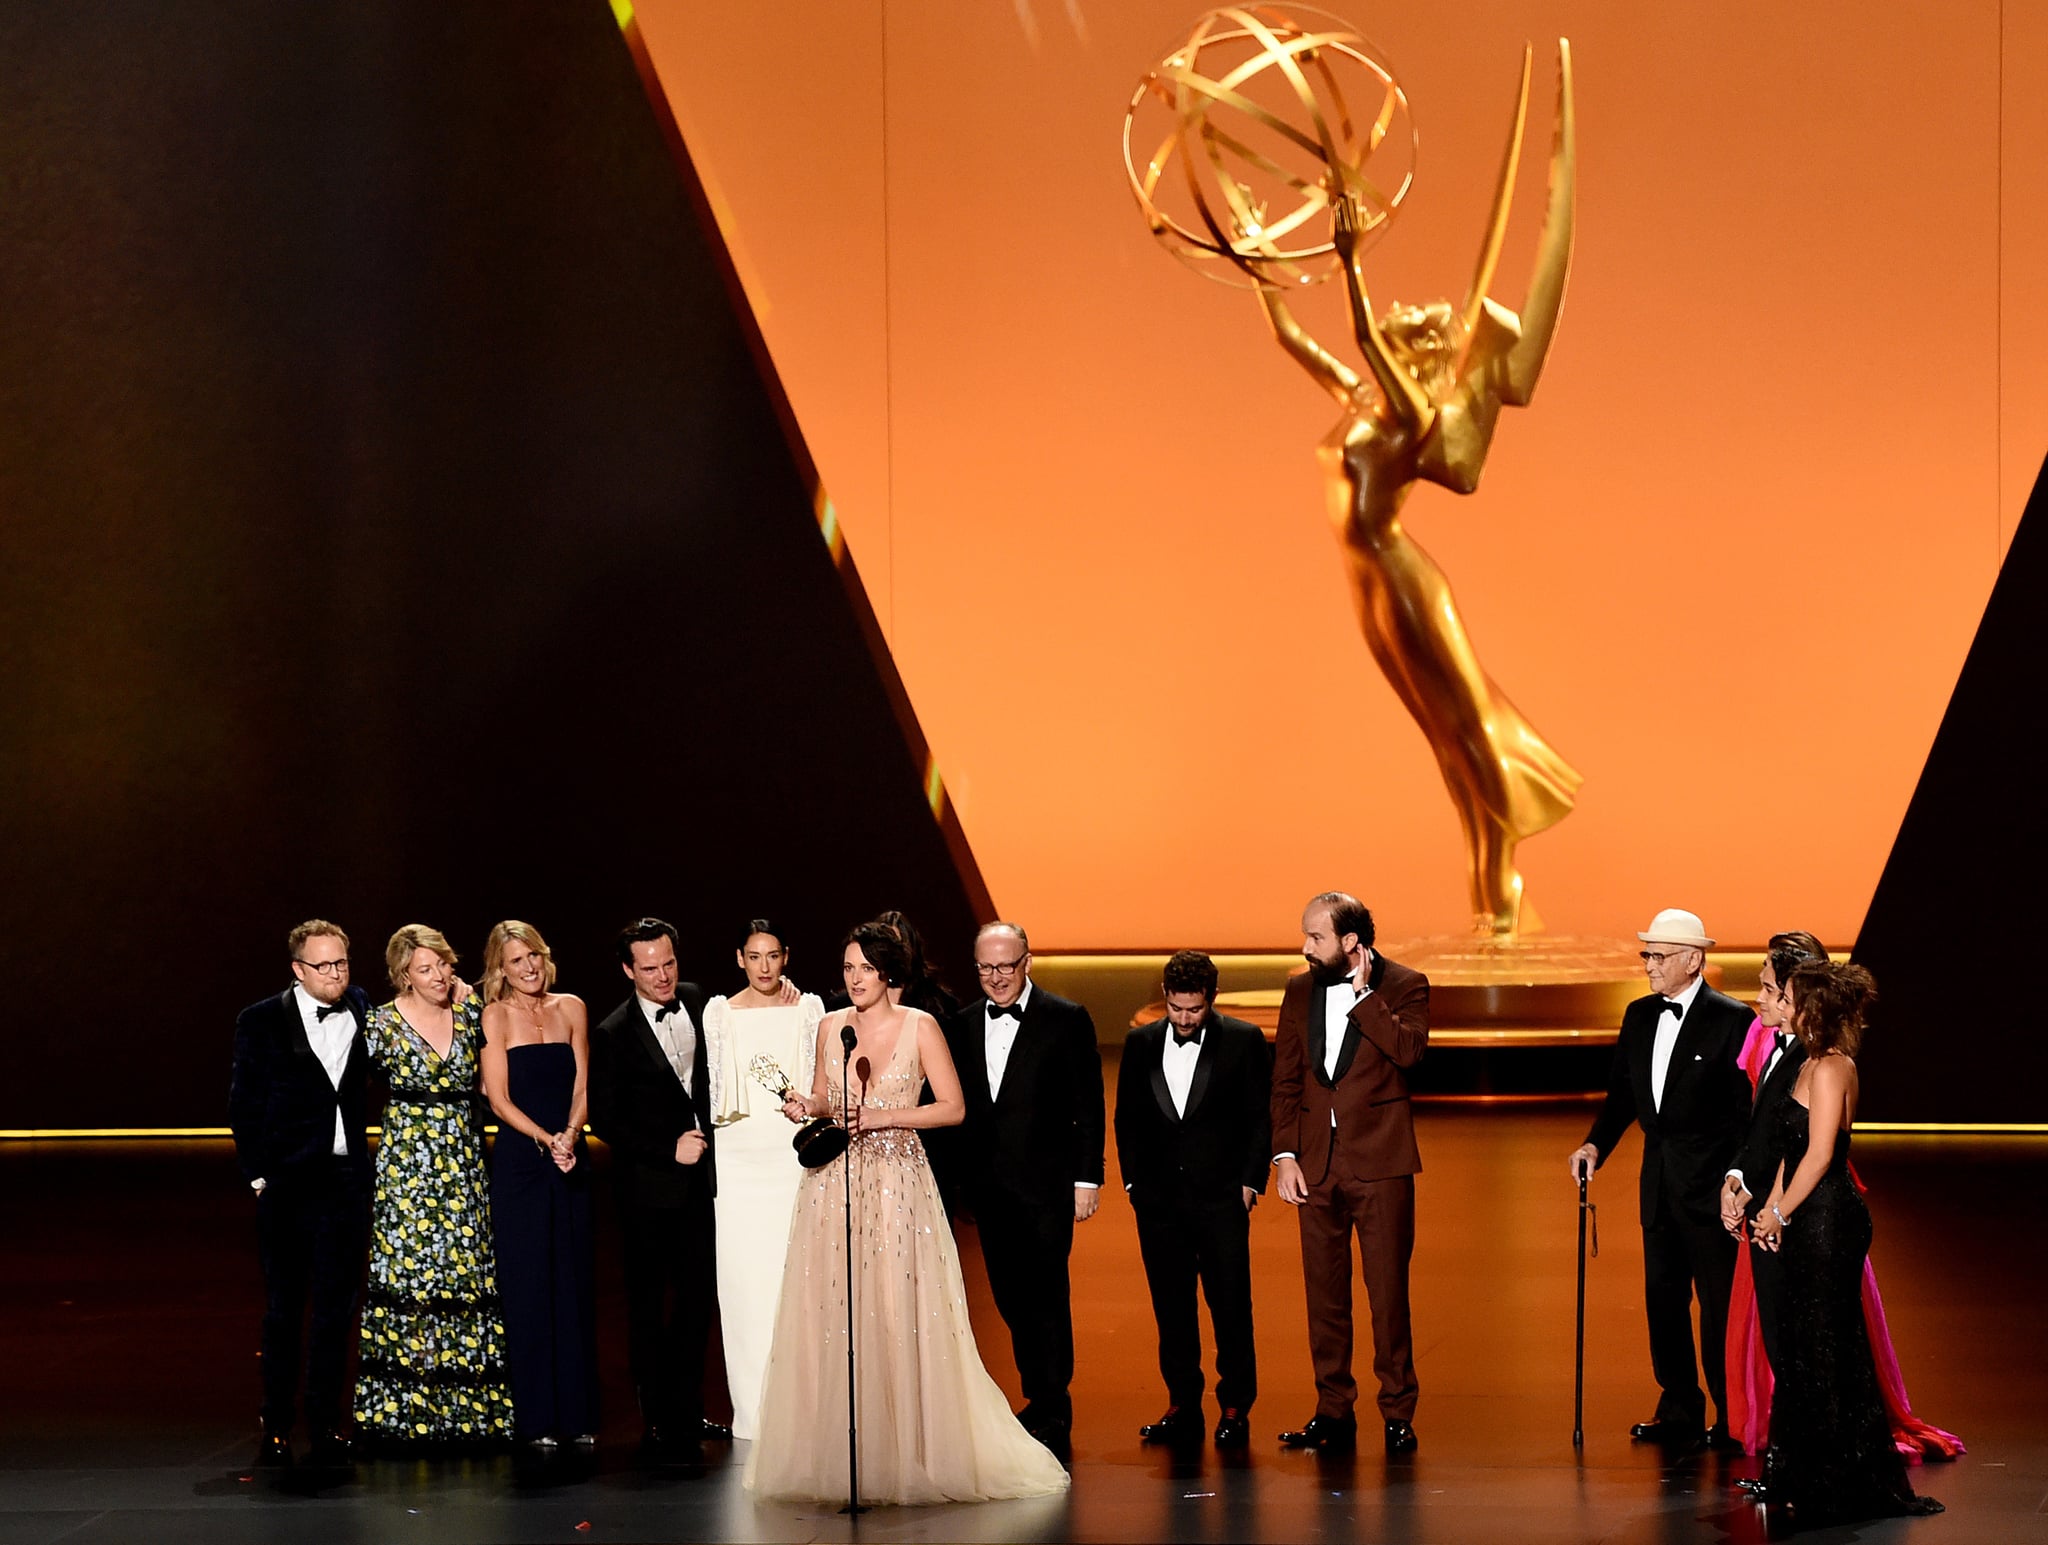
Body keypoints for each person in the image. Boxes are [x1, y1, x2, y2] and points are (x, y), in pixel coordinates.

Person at [745, 924, 1069, 1504]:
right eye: (848, 969)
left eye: (865, 969)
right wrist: (807, 1104)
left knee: (895, 1308)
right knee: (839, 1310)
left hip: (898, 1184)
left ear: (889, 973)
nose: (855, 980)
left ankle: (909, 1451)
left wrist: (884, 1118)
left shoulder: (921, 1026)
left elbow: (952, 1108)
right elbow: (825, 1095)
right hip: (834, 1184)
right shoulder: (829, 1027)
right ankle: (851, 1453)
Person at [1722, 937, 1963, 1468]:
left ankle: (1835, 1460)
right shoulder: (1805, 1064)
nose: (1772, 1005)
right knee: (1801, 1341)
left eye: (1782, 997)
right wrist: (1770, 1209)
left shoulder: (1831, 1068)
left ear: (1807, 1008)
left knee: (1825, 1339)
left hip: (1828, 1217)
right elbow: (1787, 1146)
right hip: (1800, 1213)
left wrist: (1779, 1212)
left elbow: (1820, 1153)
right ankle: (1803, 1459)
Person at [1568, 907, 1750, 1451]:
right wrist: (1595, 1143)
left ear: (1693, 960)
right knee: (1663, 1301)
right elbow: (1622, 1093)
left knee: (1717, 1309)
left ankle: (1730, 1414)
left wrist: (1738, 1180)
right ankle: (1678, 1409)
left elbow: (1744, 1113)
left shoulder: (1732, 1019)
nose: (1648, 964)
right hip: (1659, 1183)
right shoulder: (1639, 1014)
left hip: (1711, 1188)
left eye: (1659, 955)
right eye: (1646, 954)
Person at [1271, 892, 1430, 1455]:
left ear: (1350, 943)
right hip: (1314, 1164)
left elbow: (1409, 1052)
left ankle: (1397, 1411)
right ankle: (1333, 1408)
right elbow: (1286, 1079)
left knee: (1387, 1294)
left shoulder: (1406, 985)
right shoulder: (1299, 989)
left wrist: (1364, 997)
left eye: (1315, 938)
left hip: (1380, 1164)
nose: (1305, 948)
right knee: (1325, 1296)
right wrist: (1284, 1155)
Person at [944, 921, 1106, 1449]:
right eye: (985, 967)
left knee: (1045, 1295)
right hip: (989, 1190)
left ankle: (1053, 1403)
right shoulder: (963, 1023)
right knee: (1010, 1298)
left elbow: (1088, 1105)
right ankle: (1038, 1396)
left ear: (1027, 962)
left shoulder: (1065, 1019)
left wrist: (1088, 1179)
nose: (995, 978)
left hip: (1047, 1187)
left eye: (1005, 966)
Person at [354, 924, 515, 1448]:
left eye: (444, 964)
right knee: (412, 1280)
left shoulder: (472, 1014)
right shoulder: (379, 1025)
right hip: (407, 1168)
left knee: (465, 1274)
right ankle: (403, 1413)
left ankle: (473, 1411)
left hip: (462, 1160)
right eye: (426, 969)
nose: (440, 975)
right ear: (404, 976)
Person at [228, 919, 375, 1467]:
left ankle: (325, 1420)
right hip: (288, 1185)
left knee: (337, 1310)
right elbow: (243, 1105)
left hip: (345, 1183)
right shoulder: (261, 1021)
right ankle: (277, 1423)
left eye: (341, 963)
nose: (336, 974)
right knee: (286, 1310)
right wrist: (260, 1179)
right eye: (323, 966)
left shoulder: (360, 1007)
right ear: (297, 969)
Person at [1115, 949, 1271, 1448]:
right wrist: (1135, 1185)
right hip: (1159, 1205)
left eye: (1194, 1010)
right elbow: (1127, 1118)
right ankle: (1182, 1404)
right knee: (1172, 1309)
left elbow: (1258, 1118)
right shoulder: (1140, 1043)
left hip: (1221, 1199)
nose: (1184, 1019)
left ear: (1212, 1000)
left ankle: (1234, 1406)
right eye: (1176, 1009)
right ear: (1165, 998)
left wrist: (1249, 1182)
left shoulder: (1243, 1041)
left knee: (1230, 1307)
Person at [587, 917, 731, 1457]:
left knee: (697, 1301)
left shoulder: (698, 999)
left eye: (669, 963)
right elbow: (605, 1116)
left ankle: (690, 1411)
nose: (663, 976)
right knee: (649, 1304)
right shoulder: (614, 1031)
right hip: (648, 1189)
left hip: (703, 1183)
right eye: (650, 969)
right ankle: (655, 1416)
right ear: (629, 970)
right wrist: (665, 1147)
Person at [701, 918, 824, 1441]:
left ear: (786, 956)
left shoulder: (808, 1009)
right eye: (755, 956)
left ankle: (807, 1407)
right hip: (739, 1160)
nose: (765, 966)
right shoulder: (719, 1013)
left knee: (797, 1278)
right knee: (744, 1284)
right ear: (739, 959)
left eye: (773, 955)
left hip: (789, 1154)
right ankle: (752, 1411)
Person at [478, 920, 598, 1450]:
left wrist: (571, 1136)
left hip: (570, 1157)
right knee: (528, 1286)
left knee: (572, 1282)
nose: (528, 967)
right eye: (516, 961)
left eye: (534, 957)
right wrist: (547, 1139)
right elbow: (498, 1101)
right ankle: (537, 1419)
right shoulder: (495, 1016)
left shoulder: (572, 1007)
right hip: (523, 1164)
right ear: (500, 969)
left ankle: (577, 1414)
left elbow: (583, 1085)